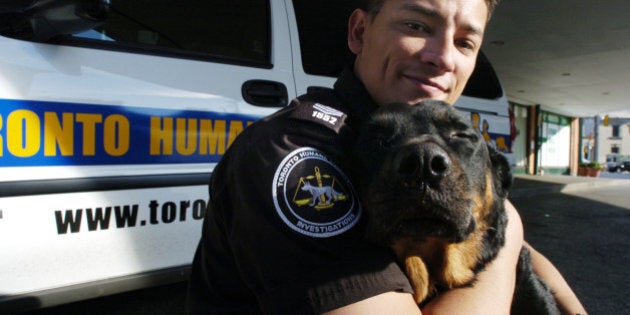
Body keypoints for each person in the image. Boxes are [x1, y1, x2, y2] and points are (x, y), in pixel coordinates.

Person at [186, 0, 587, 314]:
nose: (443, 58)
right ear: (360, 31)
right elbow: (506, 241)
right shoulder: (297, 152)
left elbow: (521, 251)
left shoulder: (411, 132)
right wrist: (509, 232)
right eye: (417, 26)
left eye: (465, 42)